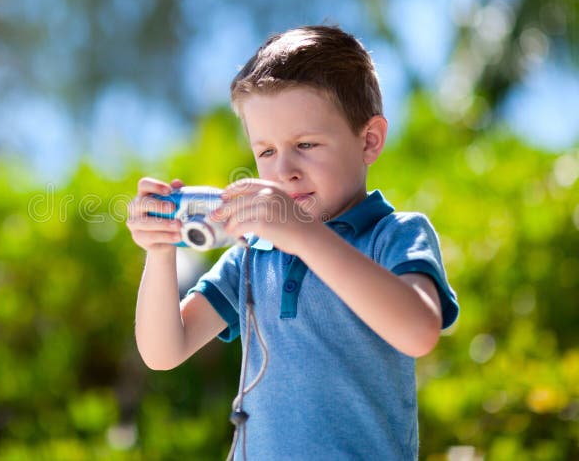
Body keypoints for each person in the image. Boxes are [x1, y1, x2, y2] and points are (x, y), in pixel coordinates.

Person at [126, 25, 459, 460]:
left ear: (369, 140)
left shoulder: (394, 235)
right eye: (265, 152)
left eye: (305, 144)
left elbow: (418, 331)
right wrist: (159, 251)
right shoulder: (250, 257)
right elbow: (163, 352)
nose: (284, 170)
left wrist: (305, 236)